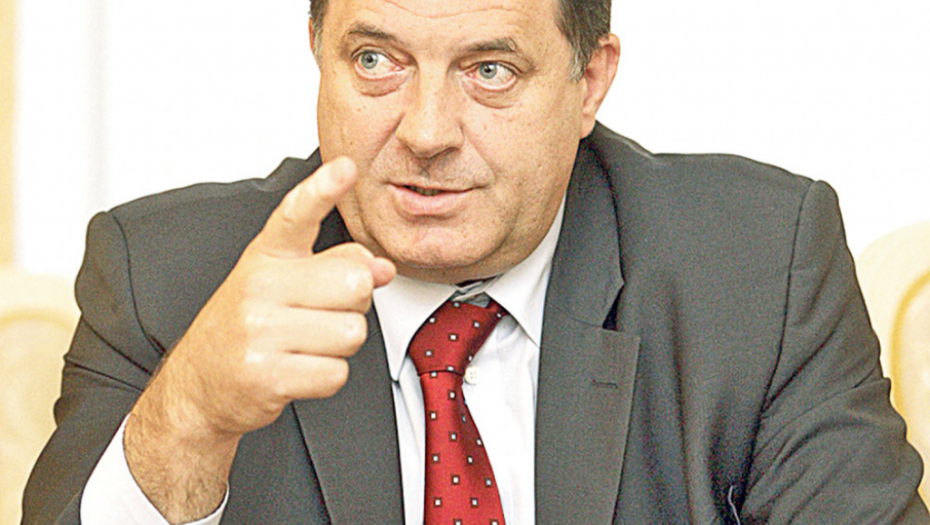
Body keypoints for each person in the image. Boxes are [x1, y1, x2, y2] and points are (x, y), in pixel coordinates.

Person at [22, 0, 929, 523]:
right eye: (375, 60)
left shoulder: (758, 266)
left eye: (490, 70)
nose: (425, 132)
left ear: (590, 81)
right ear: (318, 55)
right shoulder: (165, 276)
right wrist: (189, 416)